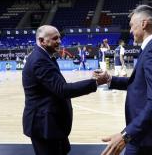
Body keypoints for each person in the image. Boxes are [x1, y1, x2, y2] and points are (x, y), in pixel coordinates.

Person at [96, 5, 152, 155]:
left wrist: (125, 135)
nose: (131, 30)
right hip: (145, 134)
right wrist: (110, 79)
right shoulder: (151, 48)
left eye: (132, 26)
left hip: (149, 139)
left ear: (144, 24)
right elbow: (140, 85)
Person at [22, 25, 108, 155]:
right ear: (41, 41)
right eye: (55, 38)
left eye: (59, 38)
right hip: (44, 125)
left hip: (52, 123)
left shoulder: (45, 56)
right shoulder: (39, 60)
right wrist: (95, 83)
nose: (59, 41)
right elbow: (62, 90)